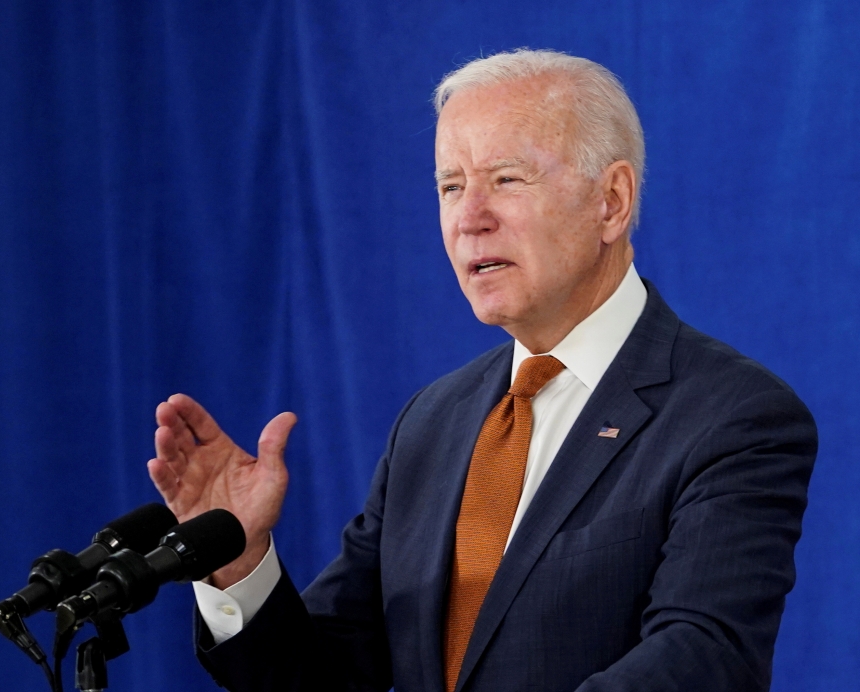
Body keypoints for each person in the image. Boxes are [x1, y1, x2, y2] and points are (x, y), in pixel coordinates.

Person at [147, 49, 817, 692]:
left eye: (506, 180)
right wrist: (236, 559)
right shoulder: (433, 422)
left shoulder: (731, 416)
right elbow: (322, 675)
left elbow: (702, 661)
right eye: (450, 186)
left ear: (611, 202)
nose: (470, 219)